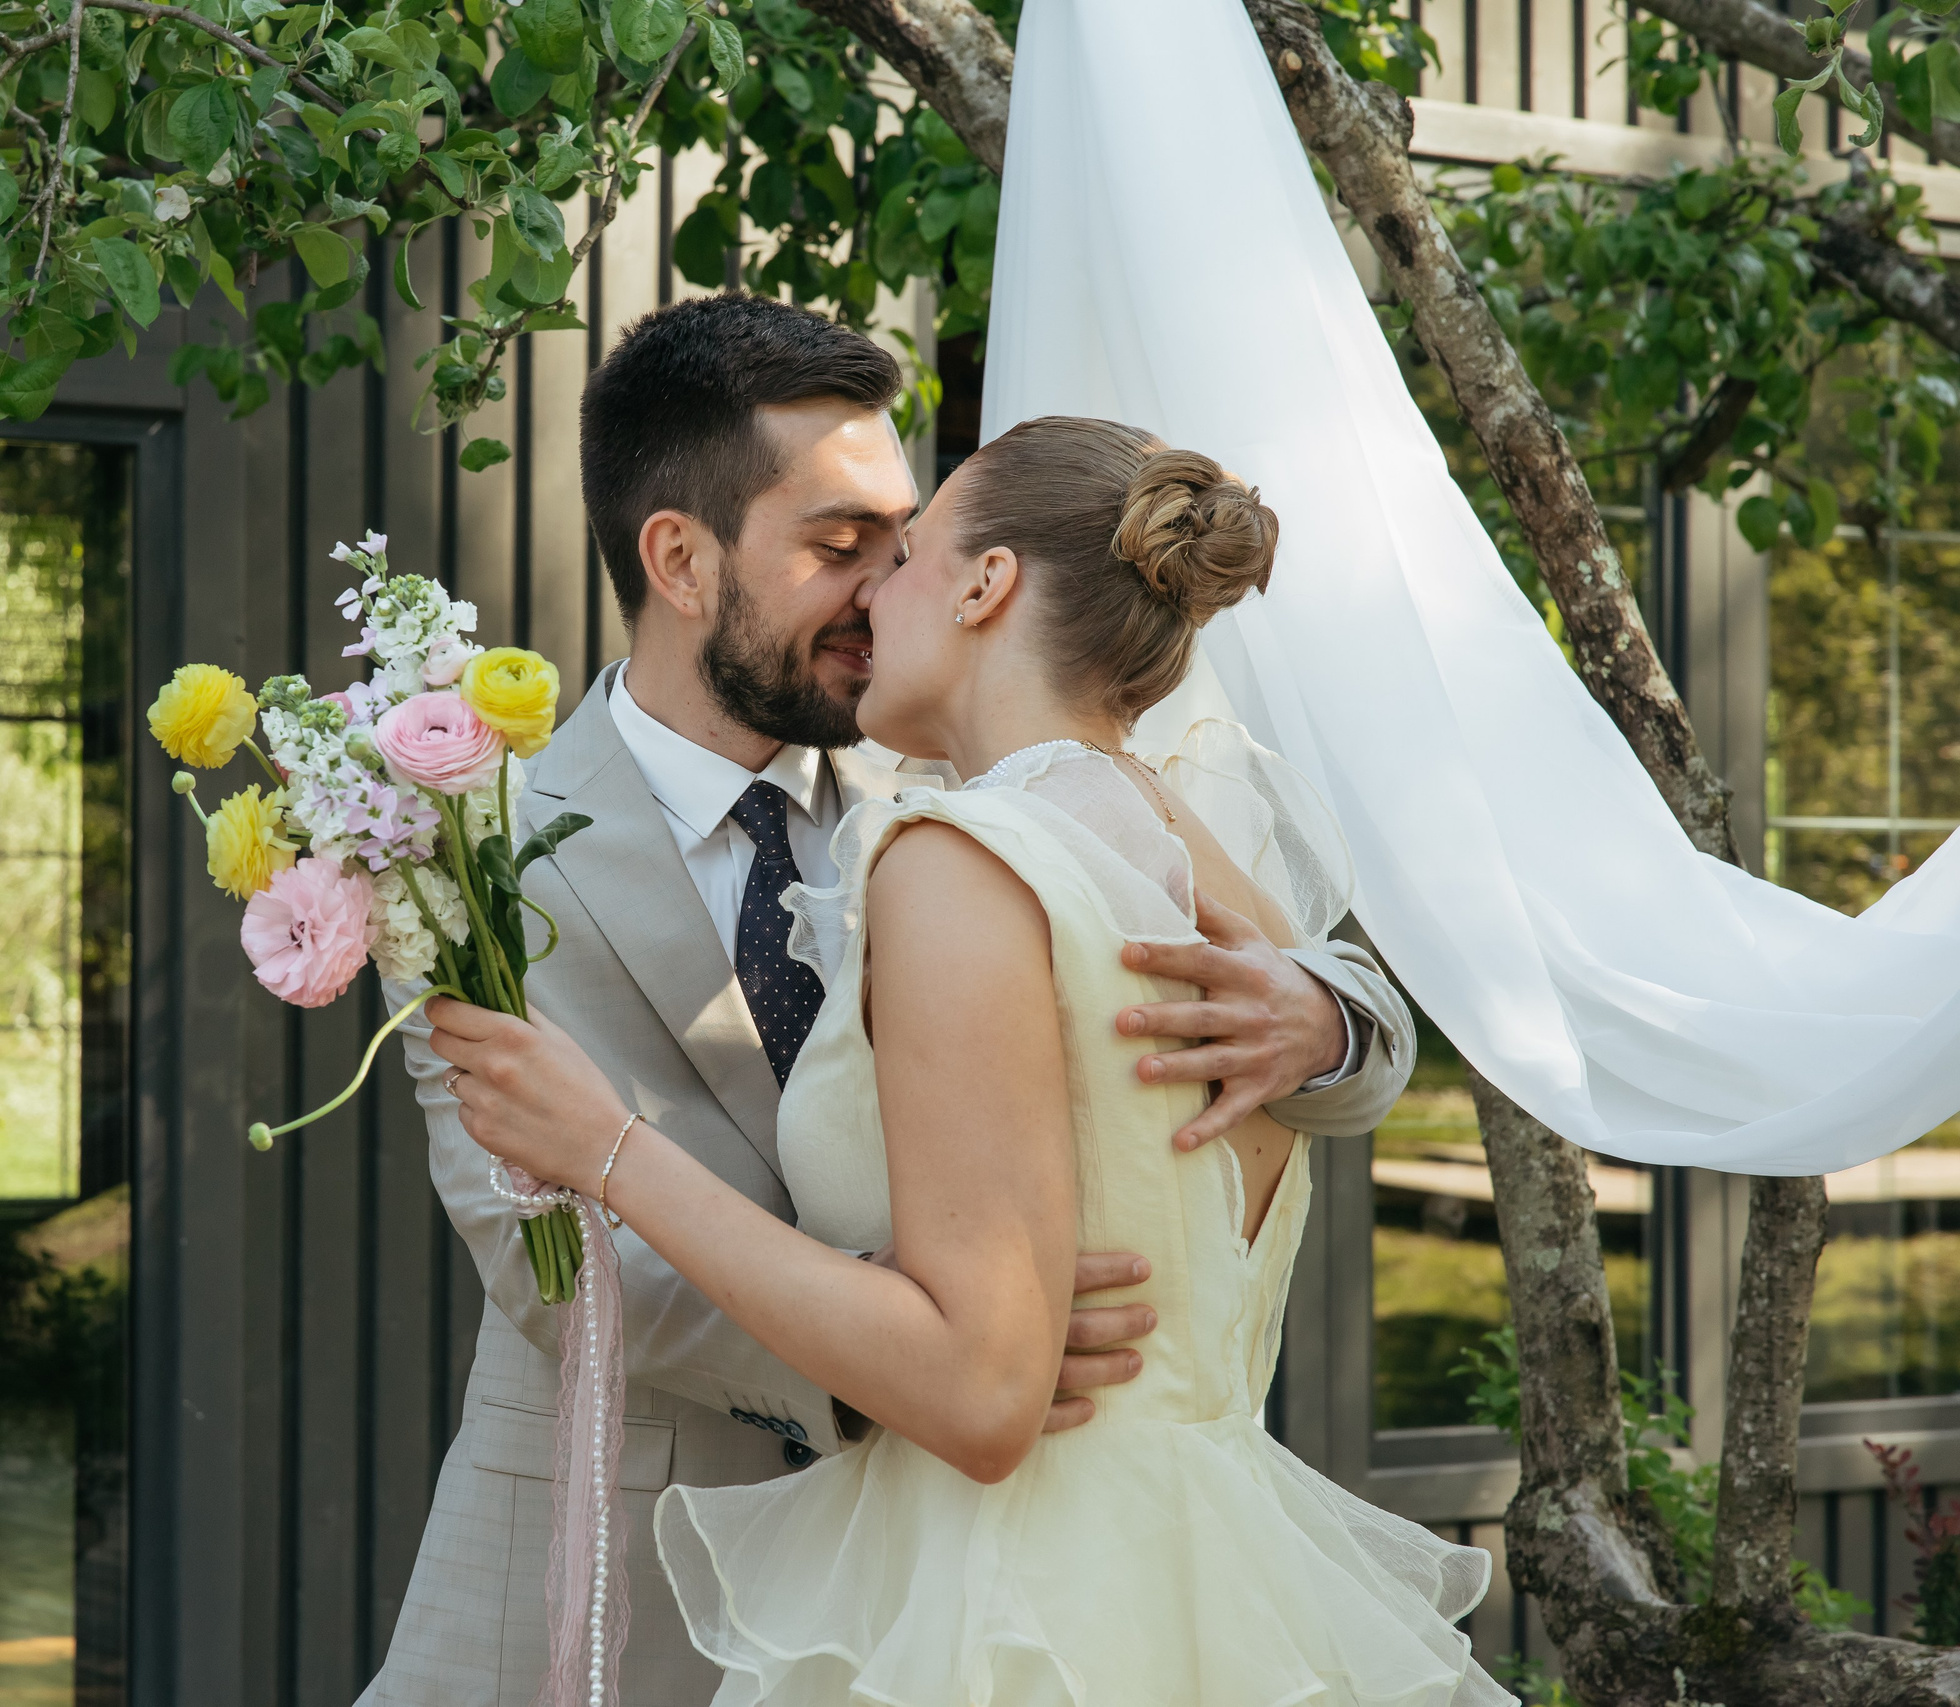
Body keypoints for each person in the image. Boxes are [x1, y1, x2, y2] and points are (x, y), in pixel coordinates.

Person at [358, 298, 1419, 1707]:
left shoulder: (967, 806)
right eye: (836, 549)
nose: (877, 592)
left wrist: (1320, 1014)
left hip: (990, 1595)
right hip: (622, 1589)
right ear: (679, 558)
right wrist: (921, 1362)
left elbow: (1337, 1008)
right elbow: (542, 1253)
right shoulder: (471, 854)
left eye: (900, 546)